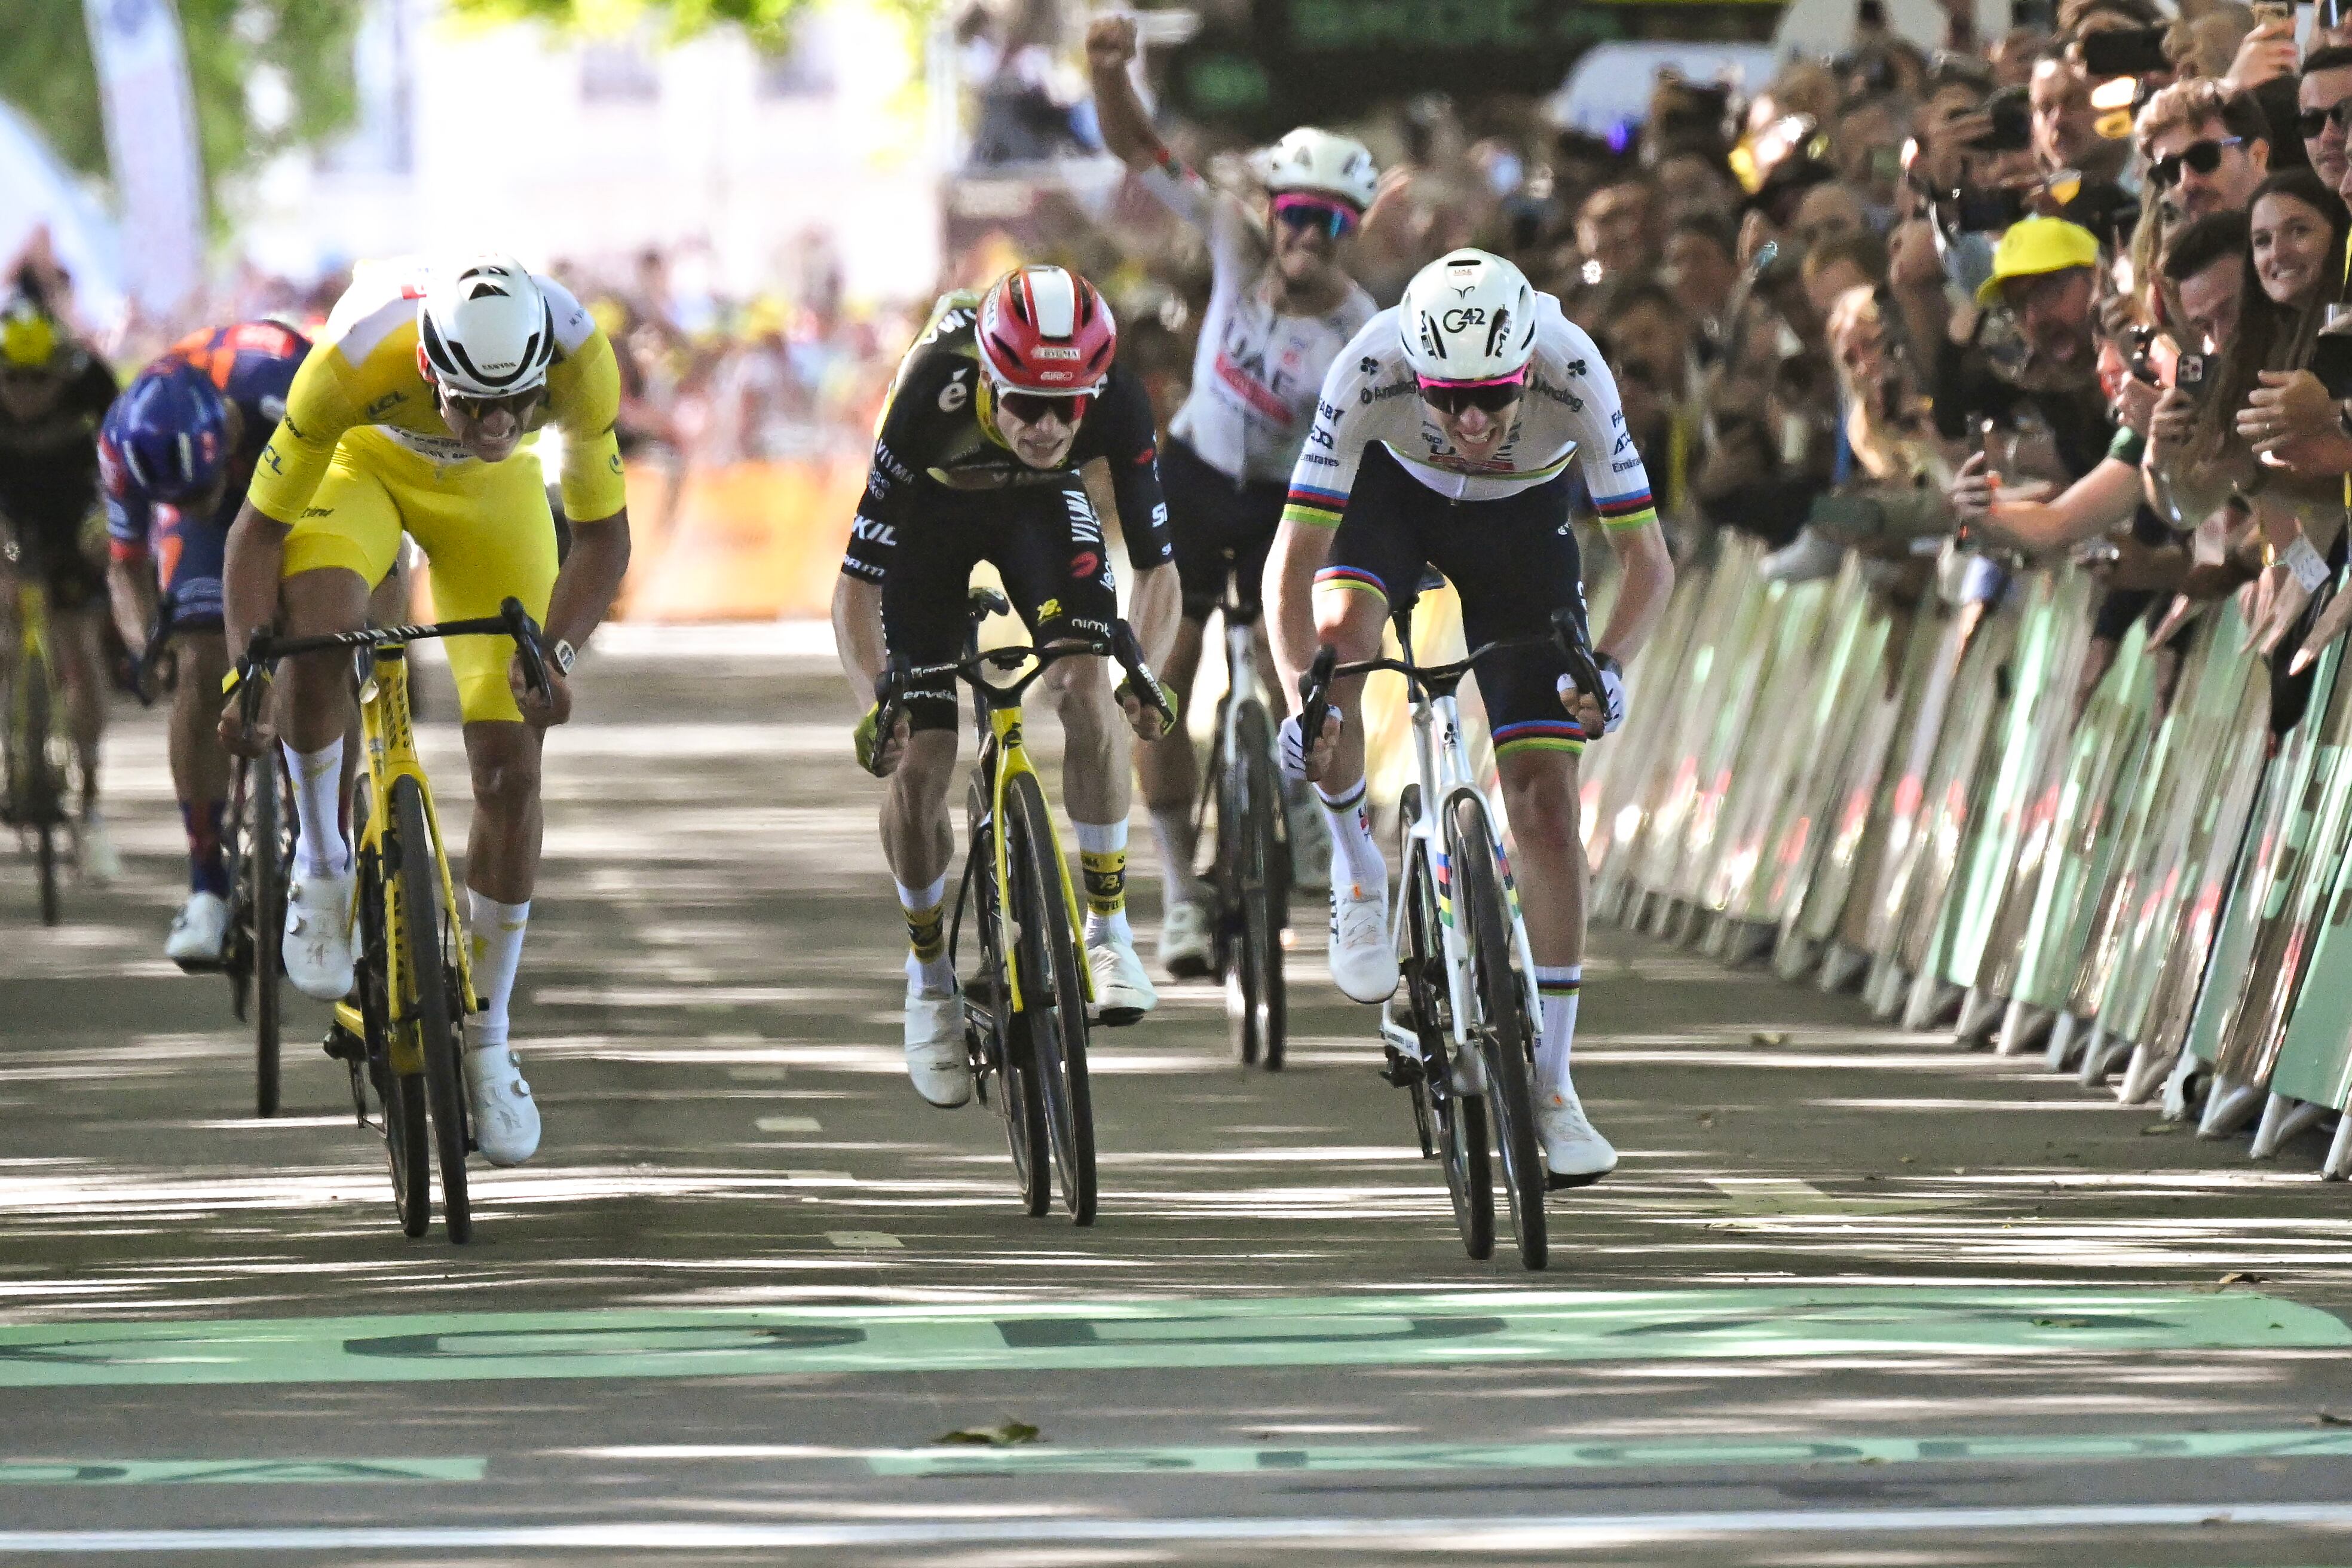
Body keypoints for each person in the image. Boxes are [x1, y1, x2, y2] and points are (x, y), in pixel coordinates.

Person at [217, 255, 636, 1169]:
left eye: (513, 406)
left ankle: (488, 1044)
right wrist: (245, 665)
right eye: (471, 405)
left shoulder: (578, 360)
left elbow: (603, 539)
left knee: (511, 769)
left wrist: (554, 656)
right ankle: (324, 865)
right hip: (364, 466)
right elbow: (256, 535)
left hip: (496, 506)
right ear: (428, 370)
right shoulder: (357, 360)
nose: (493, 425)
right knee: (320, 629)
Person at [1266, 249, 1677, 1182]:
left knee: (1546, 799)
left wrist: (1609, 668)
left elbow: (1648, 562)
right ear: (1415, 370)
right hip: (1391, 501)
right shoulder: (1369, 366)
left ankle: (1556, 1085)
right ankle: (1358, 869)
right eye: (1447, 398)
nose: (1473, 420)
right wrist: (1303, 689)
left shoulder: (1574, 368)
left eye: (1493, 395)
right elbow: (1291, 564)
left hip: (1520, 527)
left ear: (1528, 365)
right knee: (1341, 646)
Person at [831, 265, 1181, 1110]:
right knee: (922, 762)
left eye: (1068, 406)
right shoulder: (930, 393)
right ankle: (928, 979)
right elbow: (856, 589)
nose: (1049, 424)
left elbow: (1160, 574)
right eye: (1025, 402)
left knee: (1086, 682)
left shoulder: (1116, 402)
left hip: (1039, 515)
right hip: (931, 523)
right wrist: (875, 700)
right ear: (987, 375)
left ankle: (1107, 929)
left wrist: (1150, 679)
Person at [1083, 13, 1377, 978]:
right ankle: (1178, 892)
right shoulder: (1228, 237)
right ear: (1272, 211)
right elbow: (1136, 146)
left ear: (1351, 232)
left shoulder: (1358, 325)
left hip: (1291, 503)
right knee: (1162, 676)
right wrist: (1109, 69)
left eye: (1331, 221)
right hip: (1198, 476)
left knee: (1310, 672)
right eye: (1296, 211)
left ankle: (1324, 838)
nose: (1307, 232)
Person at [100, 321, 310, 964]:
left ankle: (322, 859)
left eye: (195, 491)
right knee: (196, 660)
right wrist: (147, 646)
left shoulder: (285, 385)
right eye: (174, 499)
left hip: (298, 463)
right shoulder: (124, 440)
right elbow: (126, 564)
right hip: (226, 506)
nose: (188, 505)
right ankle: (206, 886)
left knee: (316, 636)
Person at [0, 289, 122, 883]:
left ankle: (92, 794)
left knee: (79, 647)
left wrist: (106, 528)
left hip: (72, 515)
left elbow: (125, 462)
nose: (25, 394)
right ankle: (16, 751)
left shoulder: (93, 386)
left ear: (63, 371)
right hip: (9, 504)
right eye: (12, 380)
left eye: (38, 380)